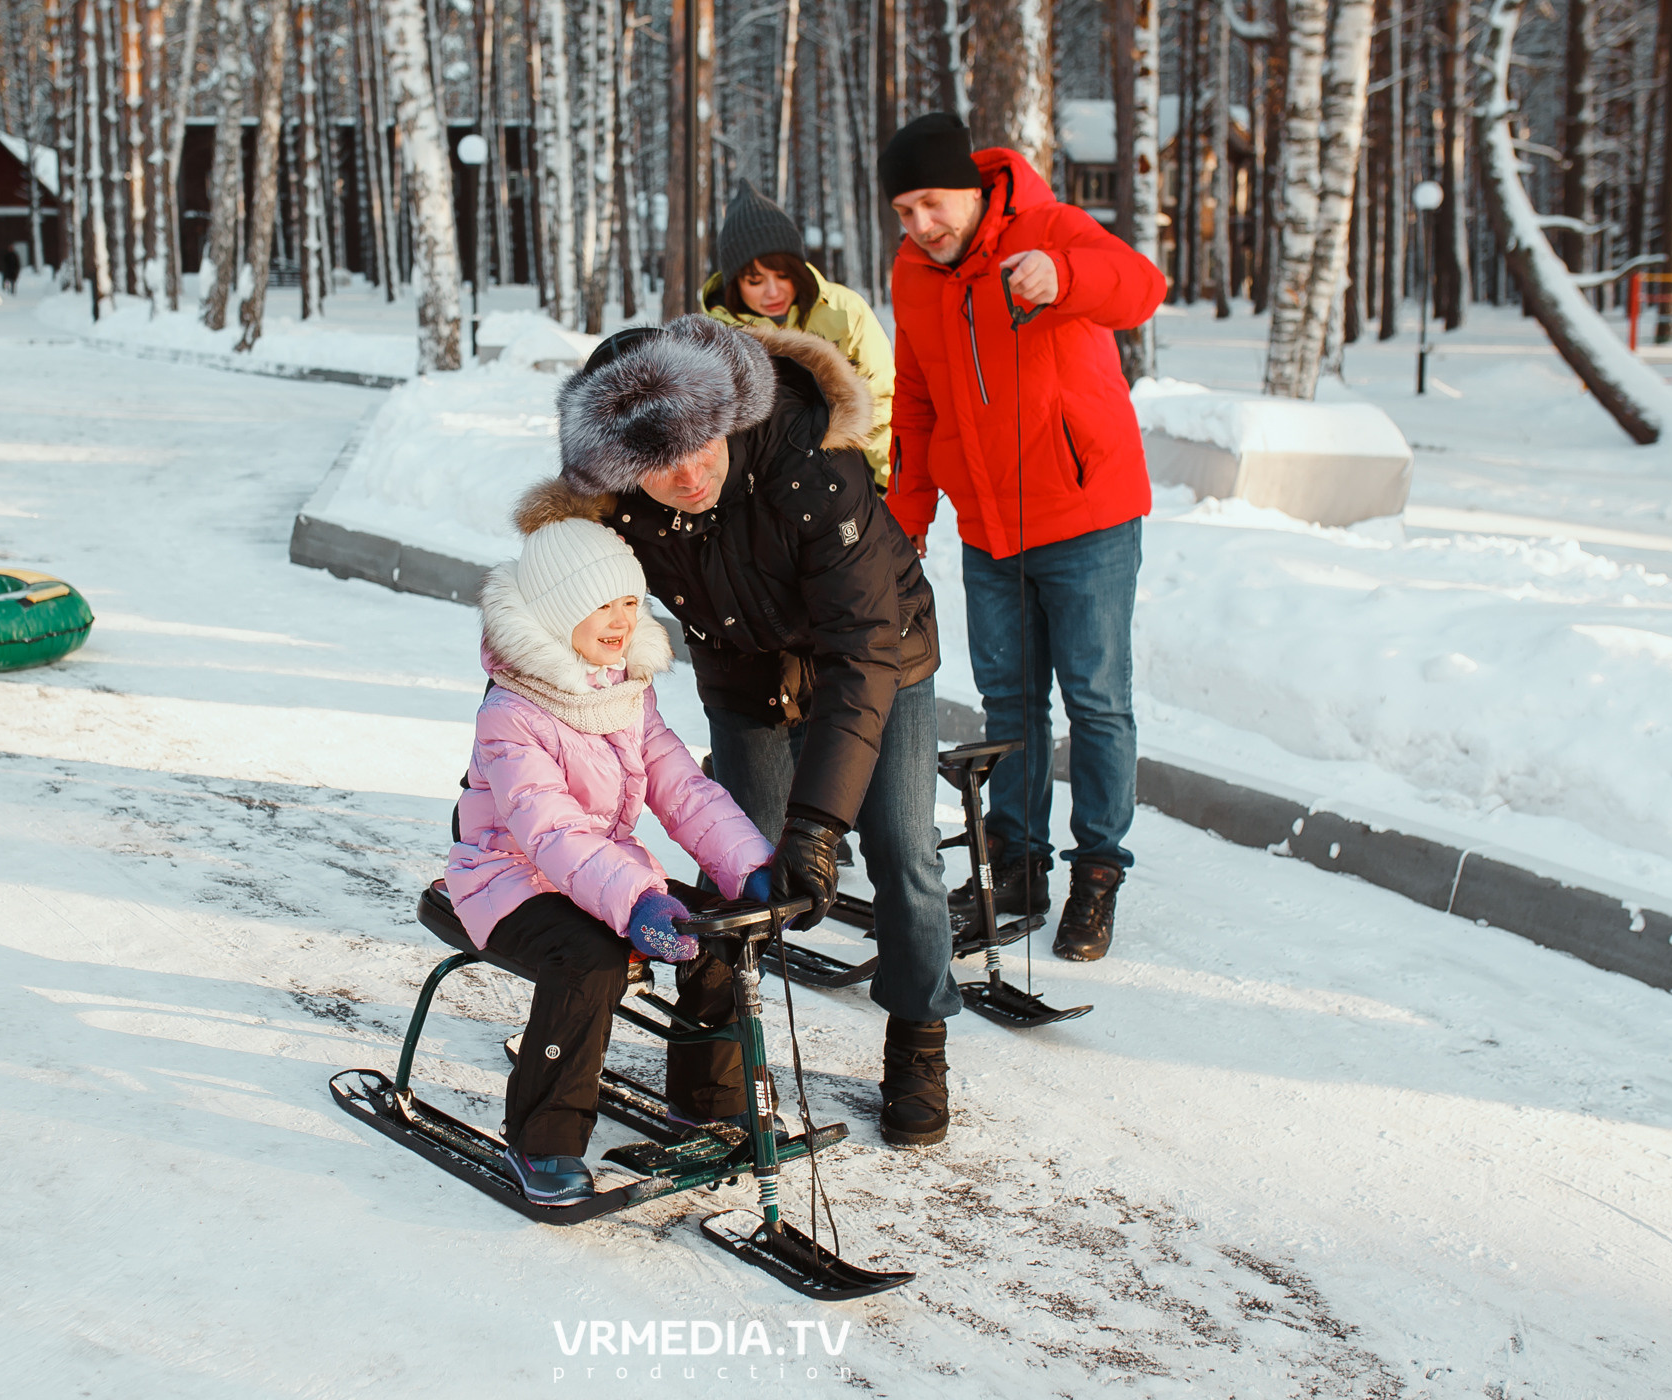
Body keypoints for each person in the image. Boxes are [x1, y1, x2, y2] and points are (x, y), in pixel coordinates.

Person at [538, 314, 960, 1149]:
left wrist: (817, 829)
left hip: (881, 655)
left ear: (725, 419)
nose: (686, 475)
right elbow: (557, 613)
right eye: (655, 465)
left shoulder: (812, 465)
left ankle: (919, 1036)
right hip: (744, 668)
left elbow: (860, 653)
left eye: (698, 445)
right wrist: (507, 756)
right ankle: (719, 1056)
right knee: (738, 850)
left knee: (903, 847)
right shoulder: (616, 509)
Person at [880, 111, 1166, 963]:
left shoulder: (1046, 229)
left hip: (1087, 515)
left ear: (970, 189)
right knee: (1010, 707)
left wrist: (1066, 275)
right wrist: (906, 526)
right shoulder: (912, 274)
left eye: (931, 203)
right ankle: (1019, 866)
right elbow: (917, 403)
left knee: (1097, 702)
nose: (920, 226)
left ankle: (1098, 876)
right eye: (903, 212)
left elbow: (1142, 286)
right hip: (989, 526)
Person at [449, 509, 776, 1207]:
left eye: (631, 601)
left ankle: (707, 1099)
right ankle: (542, 1141)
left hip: (601, 874)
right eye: (603, 604)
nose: (623, 619)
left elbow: (680, 786)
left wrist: (749, 865)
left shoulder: (626, 691)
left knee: (717, 931)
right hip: (506, 879)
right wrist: (635, 902)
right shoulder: (511, 711)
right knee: (590, 962)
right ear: (557, 611)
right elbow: (551, 832)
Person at [704, 180, 895, 489]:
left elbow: (882, 401)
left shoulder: (844, 311)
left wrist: (883, 485)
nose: (773, 291)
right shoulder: (714, 335)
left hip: (849, 482)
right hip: (759, 492)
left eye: (783, 275)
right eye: (755, 280)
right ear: (734, 283)